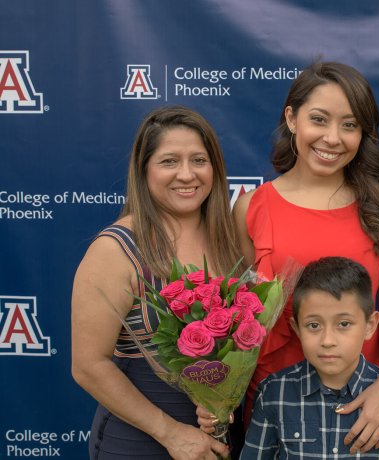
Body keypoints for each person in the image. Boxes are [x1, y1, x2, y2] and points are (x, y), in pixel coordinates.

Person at [199, 61, 379, 454]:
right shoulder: (251, 209)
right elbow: (237, 317)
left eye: (349, 125)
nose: (333, 138)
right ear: (292, 118)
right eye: (319, 119)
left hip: (363, 401)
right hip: (275, 403)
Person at [71, 106, 239, 460]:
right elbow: (88, 365)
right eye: (169, 161)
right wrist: (172, 434)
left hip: (218, 441)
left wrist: (222, 400)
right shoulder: (115, 249)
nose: (187, 174)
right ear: (144, 169)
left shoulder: (230, 242)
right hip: (138, 442)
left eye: (199, 160)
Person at [241, 256, 379, 459]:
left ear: (370, 326)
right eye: (314, 325)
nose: (327, 340)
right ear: (297, 329)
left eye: (343, 324)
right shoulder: (274, 393)